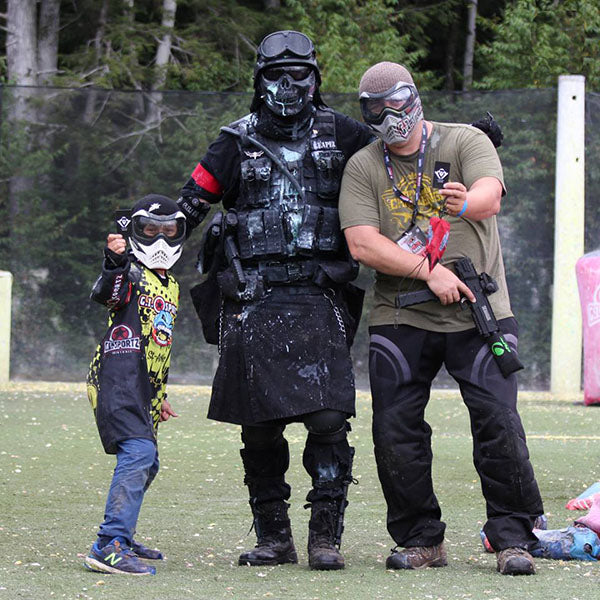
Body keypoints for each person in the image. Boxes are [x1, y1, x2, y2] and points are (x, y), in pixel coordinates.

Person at [177, 30, 373, 570]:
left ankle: (325, 539)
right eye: (274, 76)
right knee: (258, 426)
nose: (288, 86)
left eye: (299, 75)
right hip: (253, 298)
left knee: (330, 419)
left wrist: (461, 143)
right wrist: (156, 229)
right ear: (258, 81)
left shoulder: (348, 135)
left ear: (316, 78)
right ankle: (275, 539)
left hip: (319, 293)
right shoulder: (233, 141)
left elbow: (401, 164)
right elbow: (190, 204)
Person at [338, 61, 544, 575]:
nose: (388, 117)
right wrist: (428, 273)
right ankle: (421, 539)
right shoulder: (363, 166)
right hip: (399, 313)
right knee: (395, 428)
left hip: (480, 312)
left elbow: (490, 196)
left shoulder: (464, 141)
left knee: (498, 422)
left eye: (395, 103)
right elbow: (363, 243)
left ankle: (512, 538)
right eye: (373, 109)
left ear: (414, 98)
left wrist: (464, 200)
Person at [83, 194, 186, 575]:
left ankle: (121, 533)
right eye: (151, 230)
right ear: (136, 230)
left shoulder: (171, 285)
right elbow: (106, 294)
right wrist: (114, 260)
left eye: (169, 230)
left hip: (142, 388)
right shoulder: (129, 272)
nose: (160, 238)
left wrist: (158, 396)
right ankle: (110, 544)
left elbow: (160, 345)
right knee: (139, 454)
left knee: (149, 462)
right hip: (115, 379)